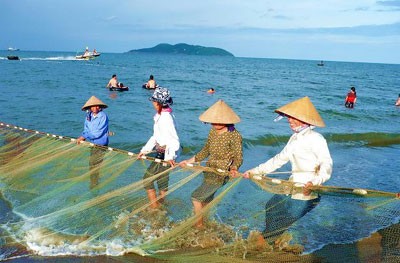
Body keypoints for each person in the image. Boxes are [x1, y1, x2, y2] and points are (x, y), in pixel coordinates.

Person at [243, 96, 333, 240]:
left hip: (306, 192)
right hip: (291, 186)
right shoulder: (295, 138)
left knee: (281, 223)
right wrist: (254, 171)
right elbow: (279, 159)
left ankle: (265, 245)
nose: (289, 120)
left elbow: (326, 164)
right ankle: (272, 241)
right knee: (271, 206)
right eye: (289, 117)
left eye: (293, 117)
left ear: (304, 119)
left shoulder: (316, 138)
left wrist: (315, 182)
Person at [180, 100, 243, 228]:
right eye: (213, 120)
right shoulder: (212, 132)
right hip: (209, 170)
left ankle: (199, 226)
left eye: (218, 120)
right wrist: (189, 161)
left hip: (221, 172)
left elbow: (238, 156)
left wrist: (234, 167)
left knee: (196, 197)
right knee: (206, 199)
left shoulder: (234, 135)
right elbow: (206, 150)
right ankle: (206, 223)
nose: (214, 123)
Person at [138, 87, 180, 209]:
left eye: (154, 101)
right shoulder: (162, 115)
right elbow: (156, 136)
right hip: (162, 153)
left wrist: (170, 157)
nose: (153, 103)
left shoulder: (166, 118)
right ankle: (162, 204)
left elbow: (174, 139)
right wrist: (144, 150)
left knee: (147, 179)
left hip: (165, 154)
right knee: (162, 180)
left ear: (158, 103)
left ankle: (154, 207)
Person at [77, 96, 109, 189]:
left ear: (99, 107)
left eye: (96, 106)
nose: (95, 108)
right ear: (90, 107)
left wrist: (84, 137)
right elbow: (86, 129)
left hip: (101, 144)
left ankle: (95, 185)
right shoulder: (88, 116)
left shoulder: (103, 116)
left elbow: (98, 132)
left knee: (95, 166)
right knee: (91, 165)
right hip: (93, 144)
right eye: (92, 106)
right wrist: (82, 136)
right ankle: (93, 184)